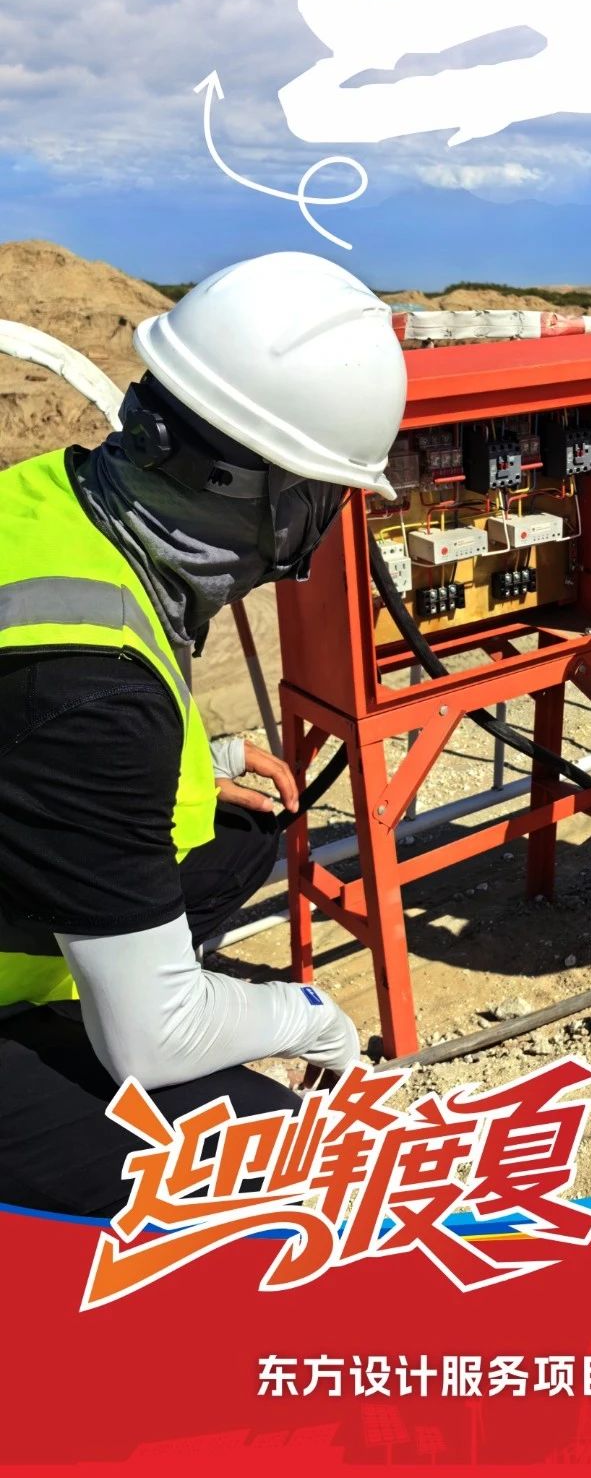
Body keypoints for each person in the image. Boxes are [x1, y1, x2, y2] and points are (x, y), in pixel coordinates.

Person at [0, 250, 408, 1218]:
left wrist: (202, 761)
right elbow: (153, 1038)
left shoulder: (58, 505)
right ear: (274, 500)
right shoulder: (94, 694)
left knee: (241, 837)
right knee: (281, 1164)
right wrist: (309, 1015)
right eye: (328, 497)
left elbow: (46, 744)